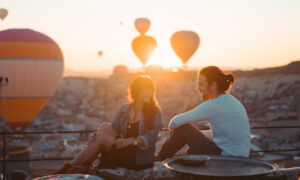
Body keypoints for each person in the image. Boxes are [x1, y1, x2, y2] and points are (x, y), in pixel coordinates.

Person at [54, 75, 162, 174]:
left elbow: (151, 137)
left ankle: (66, 169)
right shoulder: (125, 109)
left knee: (101, 138)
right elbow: (113, 128)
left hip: (139, 158)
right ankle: (81, 164)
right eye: (146, 89)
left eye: (151, 89)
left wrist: (131, 141)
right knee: (103, 126)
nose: (150, 92)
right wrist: (96, 135)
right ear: (137, 90)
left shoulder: (154, 112)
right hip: (124, 149)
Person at [157, 66, 250, 161]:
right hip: (240, 159)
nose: (198, 88)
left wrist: (176, 132)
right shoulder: (232, 101)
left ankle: (158, 161)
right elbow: (224, 133)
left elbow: (175, 122)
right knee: (191, 151)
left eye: (201, 84)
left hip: (226, 159)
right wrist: (195, 135)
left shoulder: (214, 104)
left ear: (213, 85)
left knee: (184, 129)